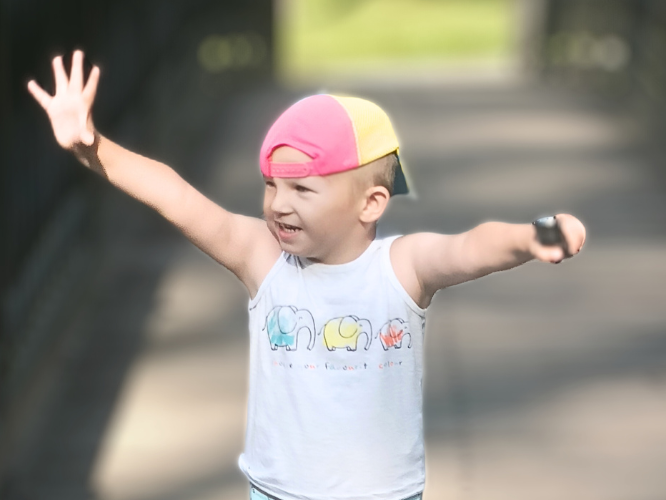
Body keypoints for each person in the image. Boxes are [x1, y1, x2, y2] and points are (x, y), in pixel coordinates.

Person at [28, 50, 586, 500]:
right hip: (278, 491)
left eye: (302, 188)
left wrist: (533, 235)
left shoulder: (401, 268)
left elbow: (469, 246)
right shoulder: (263, 258)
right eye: (271, 184)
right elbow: (176, 196)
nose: (278, 204)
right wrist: (91, 146)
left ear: (371, 203)